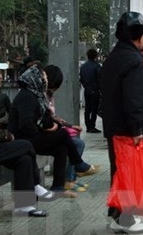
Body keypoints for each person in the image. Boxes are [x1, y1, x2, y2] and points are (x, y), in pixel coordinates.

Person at [0, 57, 49, 217]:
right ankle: (35, 184)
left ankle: (24, 206)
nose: (1, 76)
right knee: (25, 145)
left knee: (24, 160)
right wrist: (7, 137)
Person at [9, 64, 99, 199]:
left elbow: (45, 118)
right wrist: (46, 132)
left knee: (61, 148)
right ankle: (79, 164)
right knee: (63, 134)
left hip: (32, 136)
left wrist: (51, 126)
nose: (45, 80)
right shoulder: (27, 96)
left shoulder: (36, 95)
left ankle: (58, 187)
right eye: (43, 77)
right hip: (24, 139)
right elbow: (26, 125)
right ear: (36, 79)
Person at [99, 11, 143, 233]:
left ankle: (116, 215)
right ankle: (125, 220)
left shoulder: (113, 58)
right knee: (128, 175)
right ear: (138, 37)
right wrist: (137, 128)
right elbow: (133, 99)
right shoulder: (134, 61)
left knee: (119, 172)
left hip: (113, 127)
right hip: (128, 129)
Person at [44, 65, 89, 193]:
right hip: (41, 134)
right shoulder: (40, 96)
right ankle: (70, 177)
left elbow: (53, 117)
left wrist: (69, 126)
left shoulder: (48, 95)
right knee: (76, 144)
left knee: (70, 143)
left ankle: (69, 179)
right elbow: (45, 119)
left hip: (48, 131)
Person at [79, 49, 101, 133]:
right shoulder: (97, 66)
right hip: (95, 90)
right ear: (96, 56)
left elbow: (81, 79)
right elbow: (100, 78)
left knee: (87, 109)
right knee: (94, 109)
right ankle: (92, 126)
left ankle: (88, 126)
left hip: (87, 90)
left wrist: (85, 85)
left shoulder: (83, 66)